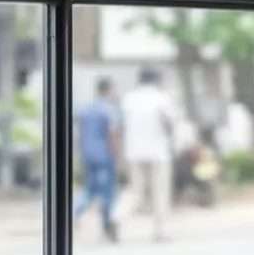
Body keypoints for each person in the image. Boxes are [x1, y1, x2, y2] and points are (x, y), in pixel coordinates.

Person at [120, 66, 178, 241]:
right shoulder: (162, 98)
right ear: (156, 80)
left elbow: (123, 125)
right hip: (157, 151)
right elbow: (168, 122)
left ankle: (116, 217)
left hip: (133, 151)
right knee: (160, 191)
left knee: (134, 190)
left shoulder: (129, 98)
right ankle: (160, 231)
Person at [72, 77, 122, 242]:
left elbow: (78, 131)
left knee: (91, 188)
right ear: (109, 90)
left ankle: (73, 212)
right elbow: (112, 134)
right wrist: (117, 156)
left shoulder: (85, 109)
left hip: (87, 153)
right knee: (107, 192)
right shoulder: (109, 109)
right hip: (104, 154)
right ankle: (107, 227)